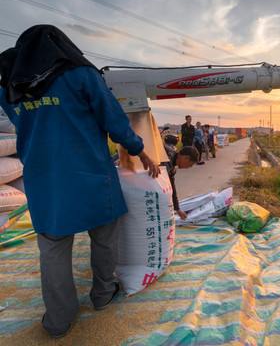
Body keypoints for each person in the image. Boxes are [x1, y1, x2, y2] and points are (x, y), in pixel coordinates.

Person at [0, 25, 160, 338]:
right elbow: (114, 120)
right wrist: (141, 152)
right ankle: (102, 294)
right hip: (90, 175)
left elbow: (19, 120)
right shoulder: (80, 75)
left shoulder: (11, 86)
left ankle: (59, 321)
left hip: (44, 181)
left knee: (53, 250)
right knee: (103, 235)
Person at [162, 145, 199, 219]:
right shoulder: (166, 160)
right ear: (186, 158)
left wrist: (177, 209)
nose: (188, 167)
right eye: (190, 165)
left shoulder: (171, 167)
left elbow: (172, 188)